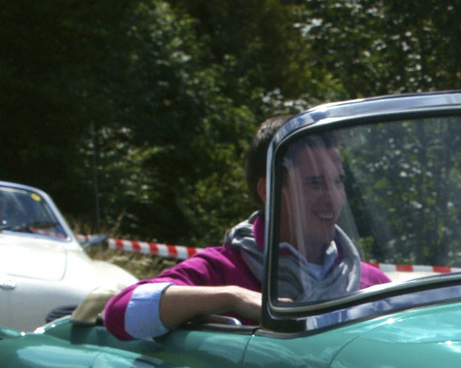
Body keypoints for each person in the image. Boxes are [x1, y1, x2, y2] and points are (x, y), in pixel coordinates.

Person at [103, 114, 390, 340]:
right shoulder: (223, 268)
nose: (333, 199)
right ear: (270, 191)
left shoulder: (370, 282)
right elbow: (120, 313)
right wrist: (235, 297)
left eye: (338, 182)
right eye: (315, 183)